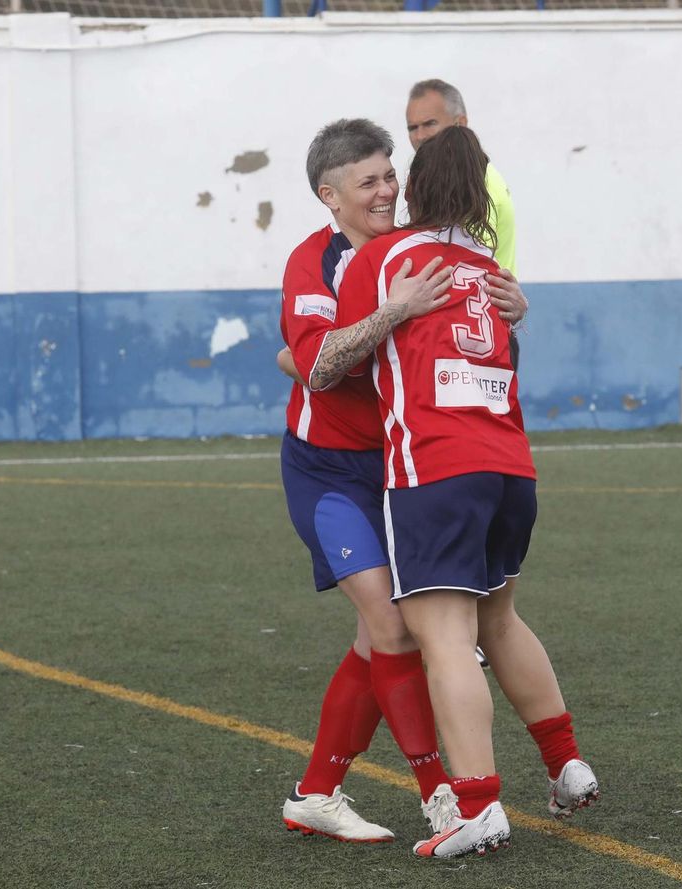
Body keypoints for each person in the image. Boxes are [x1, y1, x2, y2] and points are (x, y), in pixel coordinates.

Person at [332, 125, 598, 860]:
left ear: (413, 188)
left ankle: (476, 805)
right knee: (500, 621)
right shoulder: (490, 268)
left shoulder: (384, 257)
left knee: (443, 638)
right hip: (511, 467)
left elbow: (332, 362)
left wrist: (389, 313)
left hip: (436, 468)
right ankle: (567, 762)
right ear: (482, 194)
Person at [275, 118, 459, 844]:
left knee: (371, 640)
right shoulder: (312, 263)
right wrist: (395, 311)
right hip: (325, 472)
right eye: (369, 181)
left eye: (390, 175)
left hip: (400, 470)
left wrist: (515, 304)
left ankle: (315, 792)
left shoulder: (410, 249)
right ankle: (437, 792)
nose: (387, 191)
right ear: (330, 195)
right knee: (393, 626)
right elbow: (319, 363)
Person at [405, 78, 524, 370]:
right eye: (412, 127)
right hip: (469, 328)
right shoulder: (451, 179)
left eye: (429, 124)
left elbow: (457, 262)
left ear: (461, 123)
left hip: (478, 333)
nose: (419, 136)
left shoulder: (476, 186)